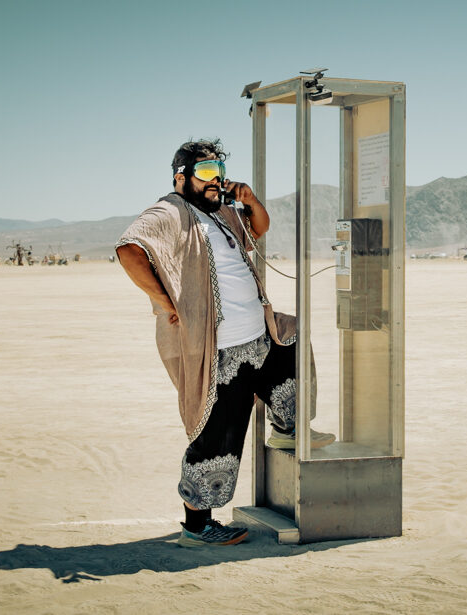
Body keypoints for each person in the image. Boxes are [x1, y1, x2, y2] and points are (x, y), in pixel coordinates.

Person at [116, 139, 334, 547]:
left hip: (258, 335)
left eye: (219, 171)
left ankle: (287, 425)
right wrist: (165, 303)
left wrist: (249, 200)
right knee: (218, 435)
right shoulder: (170, 212)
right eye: (204, 172)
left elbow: (260, 228)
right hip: (218, 351)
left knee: (291, 348)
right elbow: (129, 249)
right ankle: (198, 527)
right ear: (182, 178)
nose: (215, 180)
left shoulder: (220, 215)